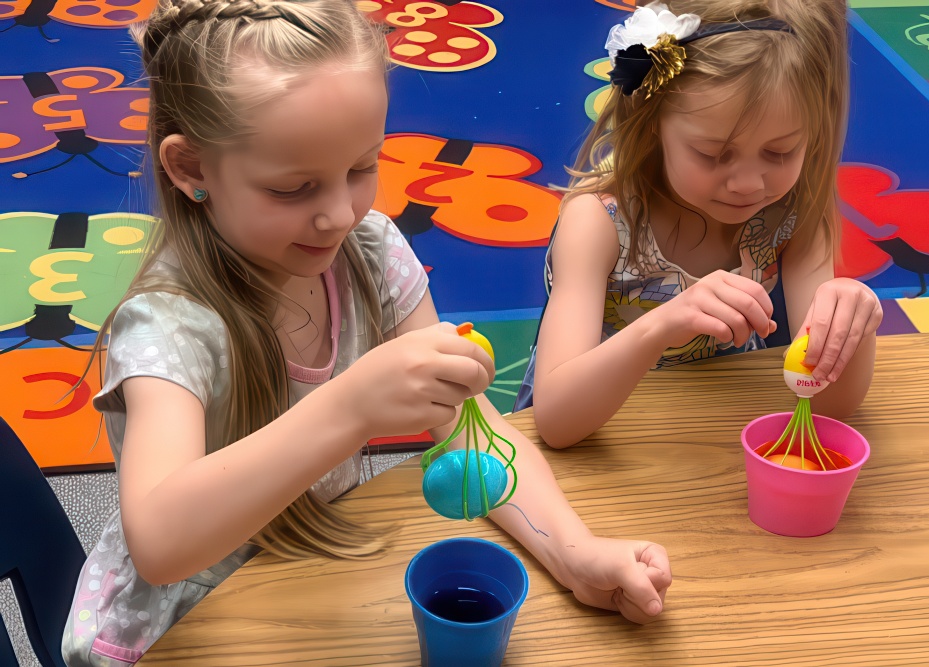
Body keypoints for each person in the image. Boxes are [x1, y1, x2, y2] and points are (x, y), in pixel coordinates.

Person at [61, 1, 672, 664]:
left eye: (360, 168)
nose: (336, 215)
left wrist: (575, 554)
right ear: (191, 169)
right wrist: (350, 406)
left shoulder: (370, 250)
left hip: (317, 572)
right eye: (293, 188)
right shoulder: (169, 323)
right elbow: (160, 541)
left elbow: (476, 430)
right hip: (184, 625)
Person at [515, 0, 883, 449]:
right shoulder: (598, 222)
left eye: (780, 152)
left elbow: (829, 406)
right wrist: (662, 325)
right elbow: (555, 421)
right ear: (653, 125)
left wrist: (851, 330)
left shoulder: (795, 212)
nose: (748, 184)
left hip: (712, 435)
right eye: (713, 154)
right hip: (601, 435)